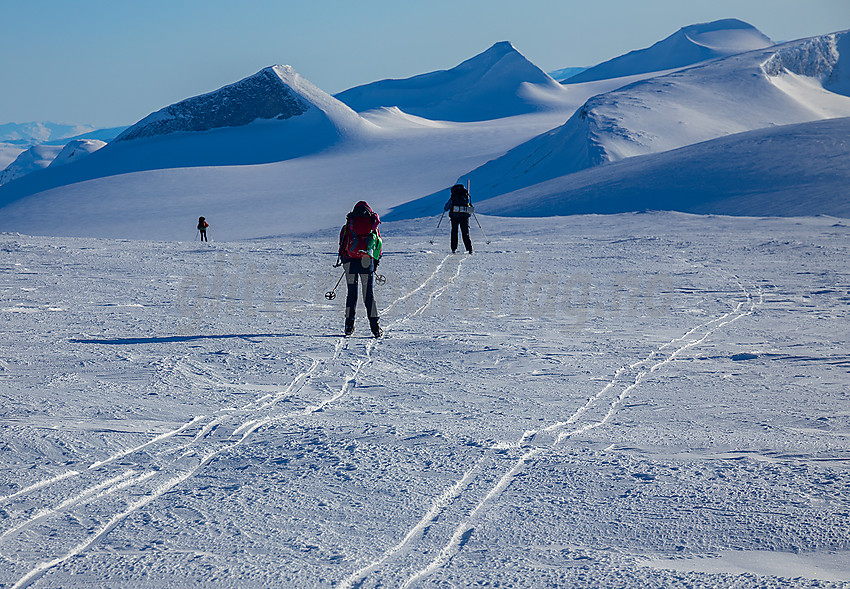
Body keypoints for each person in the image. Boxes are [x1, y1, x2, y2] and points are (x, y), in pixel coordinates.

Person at [338, 201, 383, 337]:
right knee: (368, 295)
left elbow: (342, 245)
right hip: (367, 262)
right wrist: (374, 263)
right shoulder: (372, 227)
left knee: (352, 294)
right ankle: (375, 328)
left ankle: (349, 326)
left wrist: (345, 261)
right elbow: (378, 246)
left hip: (350, 262)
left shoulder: (348, 226)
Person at [444, 184, 473, 254]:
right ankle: (469, 248)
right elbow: (470, 208)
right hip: (464, 217)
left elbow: (446, 208)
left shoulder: (453, 197)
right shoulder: (466, 197)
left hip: (454, 217)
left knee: (454, 232)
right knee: (465, 232)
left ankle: (454, 248)